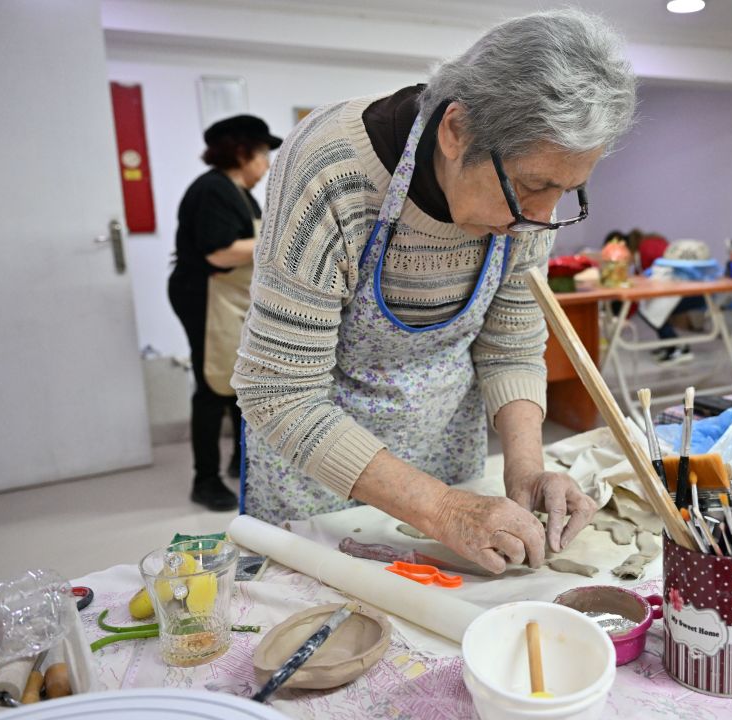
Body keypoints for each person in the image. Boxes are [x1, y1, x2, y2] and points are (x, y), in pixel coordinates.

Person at [233, 10, 636, 573]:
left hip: (449, 454)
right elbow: (279, 392)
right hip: (318, 469)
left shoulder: (525, 212)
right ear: (456, 131)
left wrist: (525, 469)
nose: (539, 220)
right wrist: (442, 509)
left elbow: (511, 345)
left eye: (567, 191)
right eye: (531, 187)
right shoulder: (329, 168)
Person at [168, 115, 282, 511]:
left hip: (230, 295)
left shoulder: (241, 193)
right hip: (204, 294)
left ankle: (240, 459)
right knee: (212, 383)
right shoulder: (212, 189)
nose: (266, 164)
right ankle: (205, 479)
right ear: (241, 151)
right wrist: (277, 239)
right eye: (263, 153)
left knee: (237, 378)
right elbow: (219, 251)